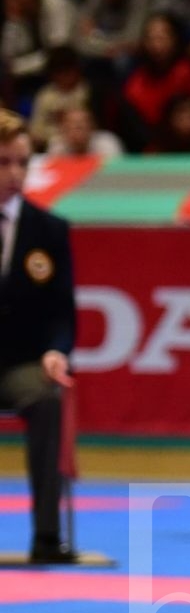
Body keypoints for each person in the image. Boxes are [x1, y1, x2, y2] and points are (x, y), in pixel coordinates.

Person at [0, 110, 78, 563]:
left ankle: (47, 535)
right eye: (4, 162)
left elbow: (63, 313)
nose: (14, 173)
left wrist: (56, 351)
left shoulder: (49, 230)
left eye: (21, 163)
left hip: (23, 363)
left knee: (48, 400)